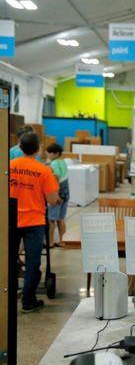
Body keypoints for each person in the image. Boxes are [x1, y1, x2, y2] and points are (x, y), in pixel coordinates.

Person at [10, 132, 60, 313]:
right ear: (38, 149)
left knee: (9, 259)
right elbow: (53, 199)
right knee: (32, 262)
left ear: (20, 147)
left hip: (11, 219)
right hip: (34, 221)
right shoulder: (43, 171)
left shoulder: (9, 166)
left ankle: (8, 296)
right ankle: (28, 301)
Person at [45, 143, 69, 247]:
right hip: (66, 192)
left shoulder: (54, 163)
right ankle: (63, 240)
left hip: (58, 192)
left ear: (56, 153)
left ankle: (50, 242)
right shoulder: (63, 162)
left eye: (50, 153)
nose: (48, 155)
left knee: (51, 219)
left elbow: (57, 178)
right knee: (61, 218)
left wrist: (56, 195)